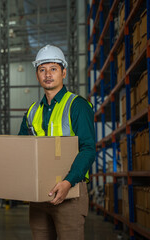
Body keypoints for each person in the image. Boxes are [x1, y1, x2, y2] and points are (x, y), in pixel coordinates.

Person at [18, 45, 96, 240]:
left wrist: (68, 182)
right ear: (37, 75)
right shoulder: (32, 112)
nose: (47, 74)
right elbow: (21, 150)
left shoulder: (77, 105)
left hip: (70, 193)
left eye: (53, 68)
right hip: (39, 196)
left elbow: (88, 148)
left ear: (64, 72)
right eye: (42, 69)